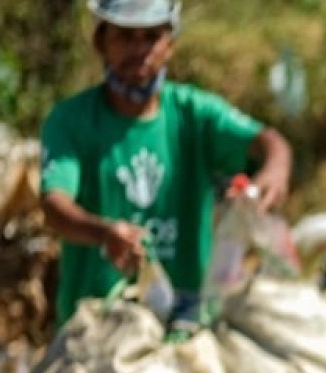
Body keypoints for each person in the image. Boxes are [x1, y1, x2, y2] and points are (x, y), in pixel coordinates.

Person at [39, 0, 292, 326]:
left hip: (185, 322)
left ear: (170, 44)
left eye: (151, 37)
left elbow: (269, 142)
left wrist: (275, 170)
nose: (139, 49)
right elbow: (54, 204)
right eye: (125, 37)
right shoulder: (71, 122)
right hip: (96, 324)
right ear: (101, 42)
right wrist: (104, 233)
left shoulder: (194, 114)